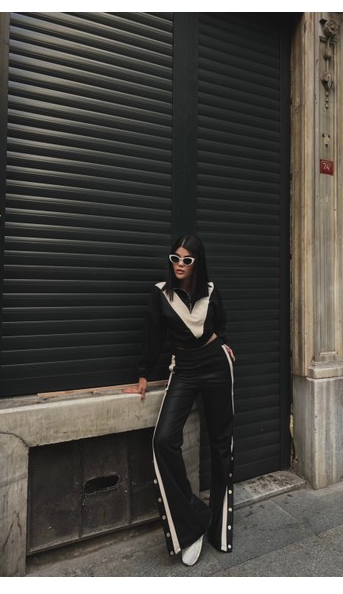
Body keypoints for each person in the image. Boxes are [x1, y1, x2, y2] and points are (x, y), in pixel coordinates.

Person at [124, 234, 235, 566]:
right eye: (175, 258)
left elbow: (221, 324)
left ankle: (220, 528)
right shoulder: (161, 293)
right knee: (163, 440)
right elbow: (153, 334)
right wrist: (143, 375)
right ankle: (193, 522)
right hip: (184, 369)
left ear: (197, 263)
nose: (180, 265)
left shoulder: (212, 291)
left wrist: (224, 343)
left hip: (216, 365)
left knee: (221, 443)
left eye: (187, 260)